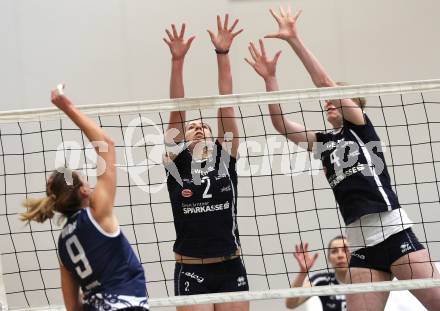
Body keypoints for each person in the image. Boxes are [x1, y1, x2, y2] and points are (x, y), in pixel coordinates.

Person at [245, 6, 440, 310]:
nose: (328, 103)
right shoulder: (323, 143)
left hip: (393, 230)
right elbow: (281, 125)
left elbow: (325, 84)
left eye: (336, 100)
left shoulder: (361, 128)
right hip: (360, 244)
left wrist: (294, 40)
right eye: (328, 103)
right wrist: (271, 80)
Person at [21, 88, 148, 311]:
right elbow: (106, 145)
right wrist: (66, 107)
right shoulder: (97, 214)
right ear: (84, 192)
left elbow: (73, 307)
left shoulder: (63, 245)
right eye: (85, 180)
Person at [162, 15, 249, 311]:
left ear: (214, 136)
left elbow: (226, 102)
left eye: (205, 126)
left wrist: (222, 54)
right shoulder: (176, 161)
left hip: (230, 266)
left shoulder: (225, 157)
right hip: (191, 269)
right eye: (192, 127)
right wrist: (177, 61)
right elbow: (177, 109)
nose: (199, 128)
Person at [285, 237, 349, 311]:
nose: (340, 255)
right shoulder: (322, 280)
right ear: (328, 258)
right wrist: (303, 272)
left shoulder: (364, 279)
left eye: (345, 250)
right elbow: (290, 304)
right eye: (334, 251)